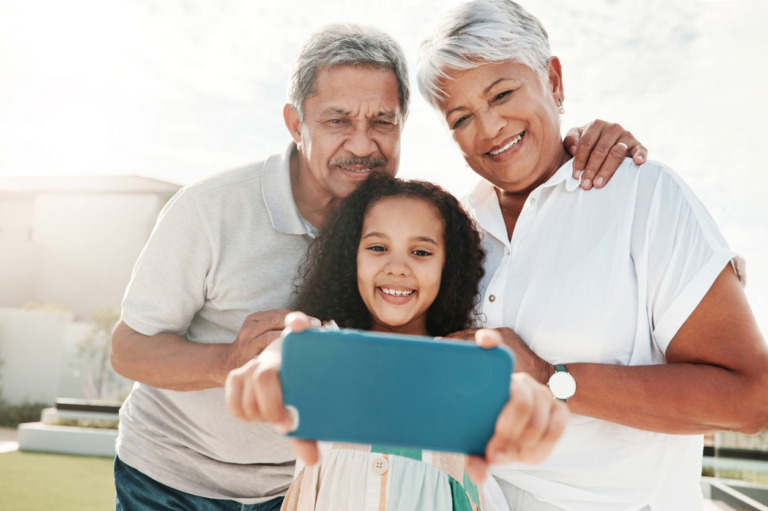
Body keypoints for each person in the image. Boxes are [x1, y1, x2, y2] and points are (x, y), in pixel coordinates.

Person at [111, 23, 648, 511]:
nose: (362, 144)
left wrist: (577, 147)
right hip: (170, 481)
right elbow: (128, 348)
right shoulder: (209, 209)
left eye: (383, 122)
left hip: (293, 489)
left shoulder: (402, 217)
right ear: (296, 123)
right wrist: (226, 360)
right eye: (338, 120)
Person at [413, 1, 768, 510]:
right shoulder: (454, 228)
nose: (489, 127)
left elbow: (751, 397)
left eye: (503, 93)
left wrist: (548, 377)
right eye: (461, 117)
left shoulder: (645, 196)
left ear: (553, 82)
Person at [226, 172, 568, 511]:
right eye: (377, 247)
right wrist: (266, 367)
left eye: (421, 252)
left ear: (448, 267)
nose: (398, 267)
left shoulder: (464, 365)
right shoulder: (323, 346)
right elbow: (283, 354)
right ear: (352, 258)